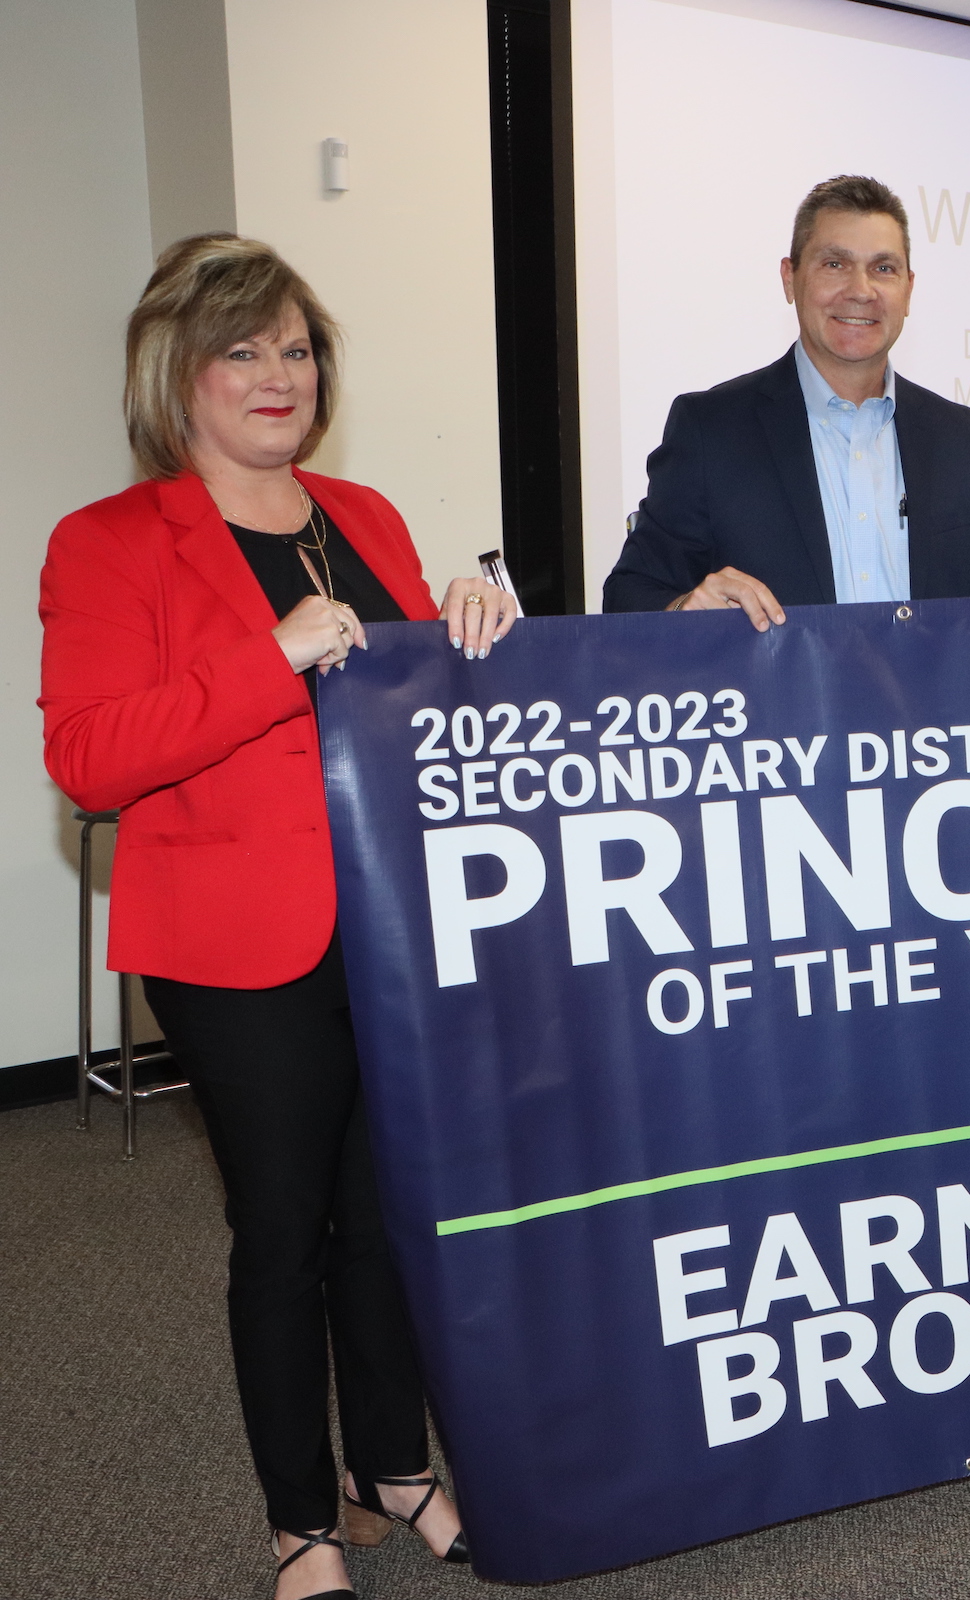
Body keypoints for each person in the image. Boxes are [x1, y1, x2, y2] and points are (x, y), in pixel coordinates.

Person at [39, 235, 509, 1600]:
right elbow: (91, 757)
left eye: (295, 348)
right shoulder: (111, 542)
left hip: (386, 930)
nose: (276, 374)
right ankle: (299, 1517)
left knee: (385, 1214)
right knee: (287, 1221)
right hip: (233, 942)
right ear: (173, 373)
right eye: (242, 349)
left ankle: (395, 1468)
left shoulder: (361, 518)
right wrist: (269, 657)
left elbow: (417, 718)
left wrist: (468, 624)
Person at [603, 174, 970, 623]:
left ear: (908, 291)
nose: (861, 290)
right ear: (790, 279)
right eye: (835, 264)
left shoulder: (958, 435)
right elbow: (629, 598)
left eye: (884, 268)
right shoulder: (711, 428)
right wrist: (687, 610)